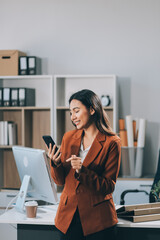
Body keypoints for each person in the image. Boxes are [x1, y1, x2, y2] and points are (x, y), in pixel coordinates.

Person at [46, 89, 121, 240]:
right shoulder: (68, 137)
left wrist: (82, 171)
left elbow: (108, 186)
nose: (73, 117)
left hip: (98, 221)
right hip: (68, 219)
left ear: (92, 109)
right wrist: (55, 164)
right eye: (70, 113)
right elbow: (60, 181)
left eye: (76, 111)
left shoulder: (112, 143)